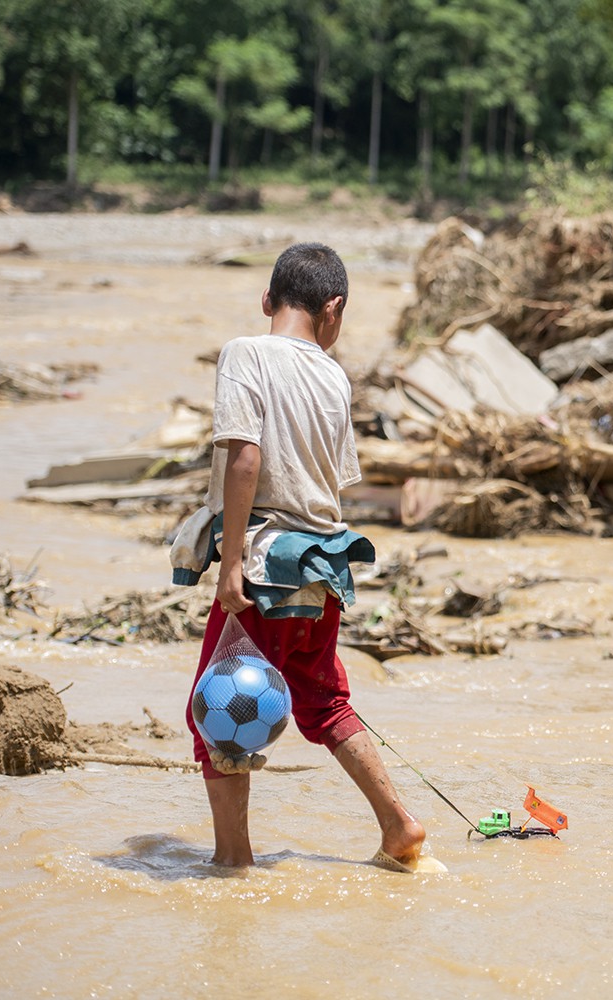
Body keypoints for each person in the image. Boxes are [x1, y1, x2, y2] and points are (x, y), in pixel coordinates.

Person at [171, 242, 432, 871]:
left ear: (268, 300)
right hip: (321, 572)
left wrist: (230, 565)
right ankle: (399, 826)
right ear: (333, 310)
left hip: (263, 566)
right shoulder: (334, 377)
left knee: (213, 711)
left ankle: (232, 862)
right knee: (323, 701)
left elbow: (246, 458)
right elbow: (331, 483)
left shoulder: (246, 353)